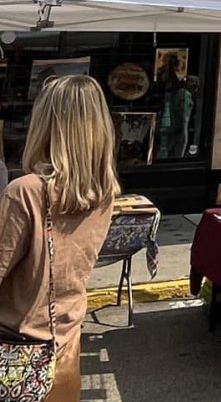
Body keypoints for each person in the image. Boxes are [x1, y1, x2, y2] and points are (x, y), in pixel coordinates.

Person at [0, 75, 120, 401]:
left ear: (45, 125)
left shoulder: (25, 193)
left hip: (15, 351)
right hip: (64, 348)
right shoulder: (104, 194)